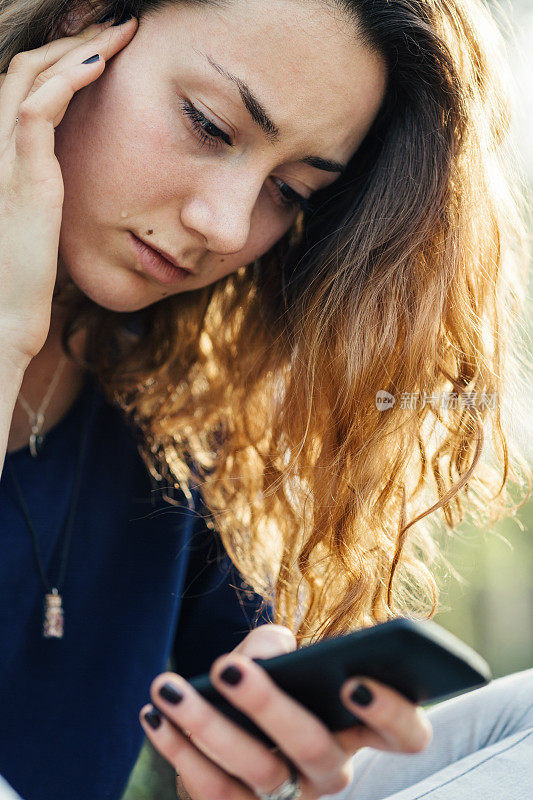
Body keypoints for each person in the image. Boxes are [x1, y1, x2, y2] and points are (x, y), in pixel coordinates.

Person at [0, 1, 531, 800]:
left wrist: (241, 781)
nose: (225, 224)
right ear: (83, 25)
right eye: (208, 126)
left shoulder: (178, 421)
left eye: (291, 191)